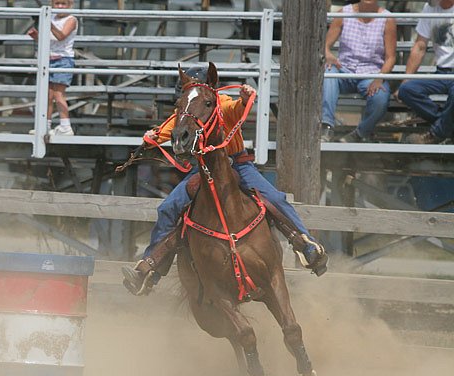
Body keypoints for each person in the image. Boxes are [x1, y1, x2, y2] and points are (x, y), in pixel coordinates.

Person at [121, 66, 328, 296]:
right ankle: (150, 269)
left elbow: (235, 109)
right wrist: (153, 137)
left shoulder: (221, 103)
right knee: (169, 208)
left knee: (275, 199)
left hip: (237, 164)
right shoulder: (187, 111)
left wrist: (244, 100)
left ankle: (306, 243)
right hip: (204, 168)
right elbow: (171, 127)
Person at [321, 0, 397, 143]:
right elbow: (324, 45)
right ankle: (326, 125)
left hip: (371, 73)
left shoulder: (387, 19)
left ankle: (360, 133)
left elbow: (390, 57)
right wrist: (328, 55)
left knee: (381, 97)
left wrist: (379, 78)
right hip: (345, 70)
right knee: (329, 72)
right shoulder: (344, 13)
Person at [397, 0, 454, 144]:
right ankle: (446, 126)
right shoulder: (429, 8)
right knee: (407, 90)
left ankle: (435, 134)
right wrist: (406, 79)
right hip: (441, 73)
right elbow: (420, 46)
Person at [27, 0, 78, 136]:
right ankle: (45, 125)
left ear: (70, 5)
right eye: (57, 3)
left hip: (63, 60)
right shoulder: (51, 18)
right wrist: (36, 36)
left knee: (58, 94)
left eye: (63, 4)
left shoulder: (71, 19)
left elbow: (61, 36)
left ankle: (65, 126)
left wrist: (48, 24)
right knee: (47, 95)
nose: (60, 7)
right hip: (49, 59)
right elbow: (48, 41)